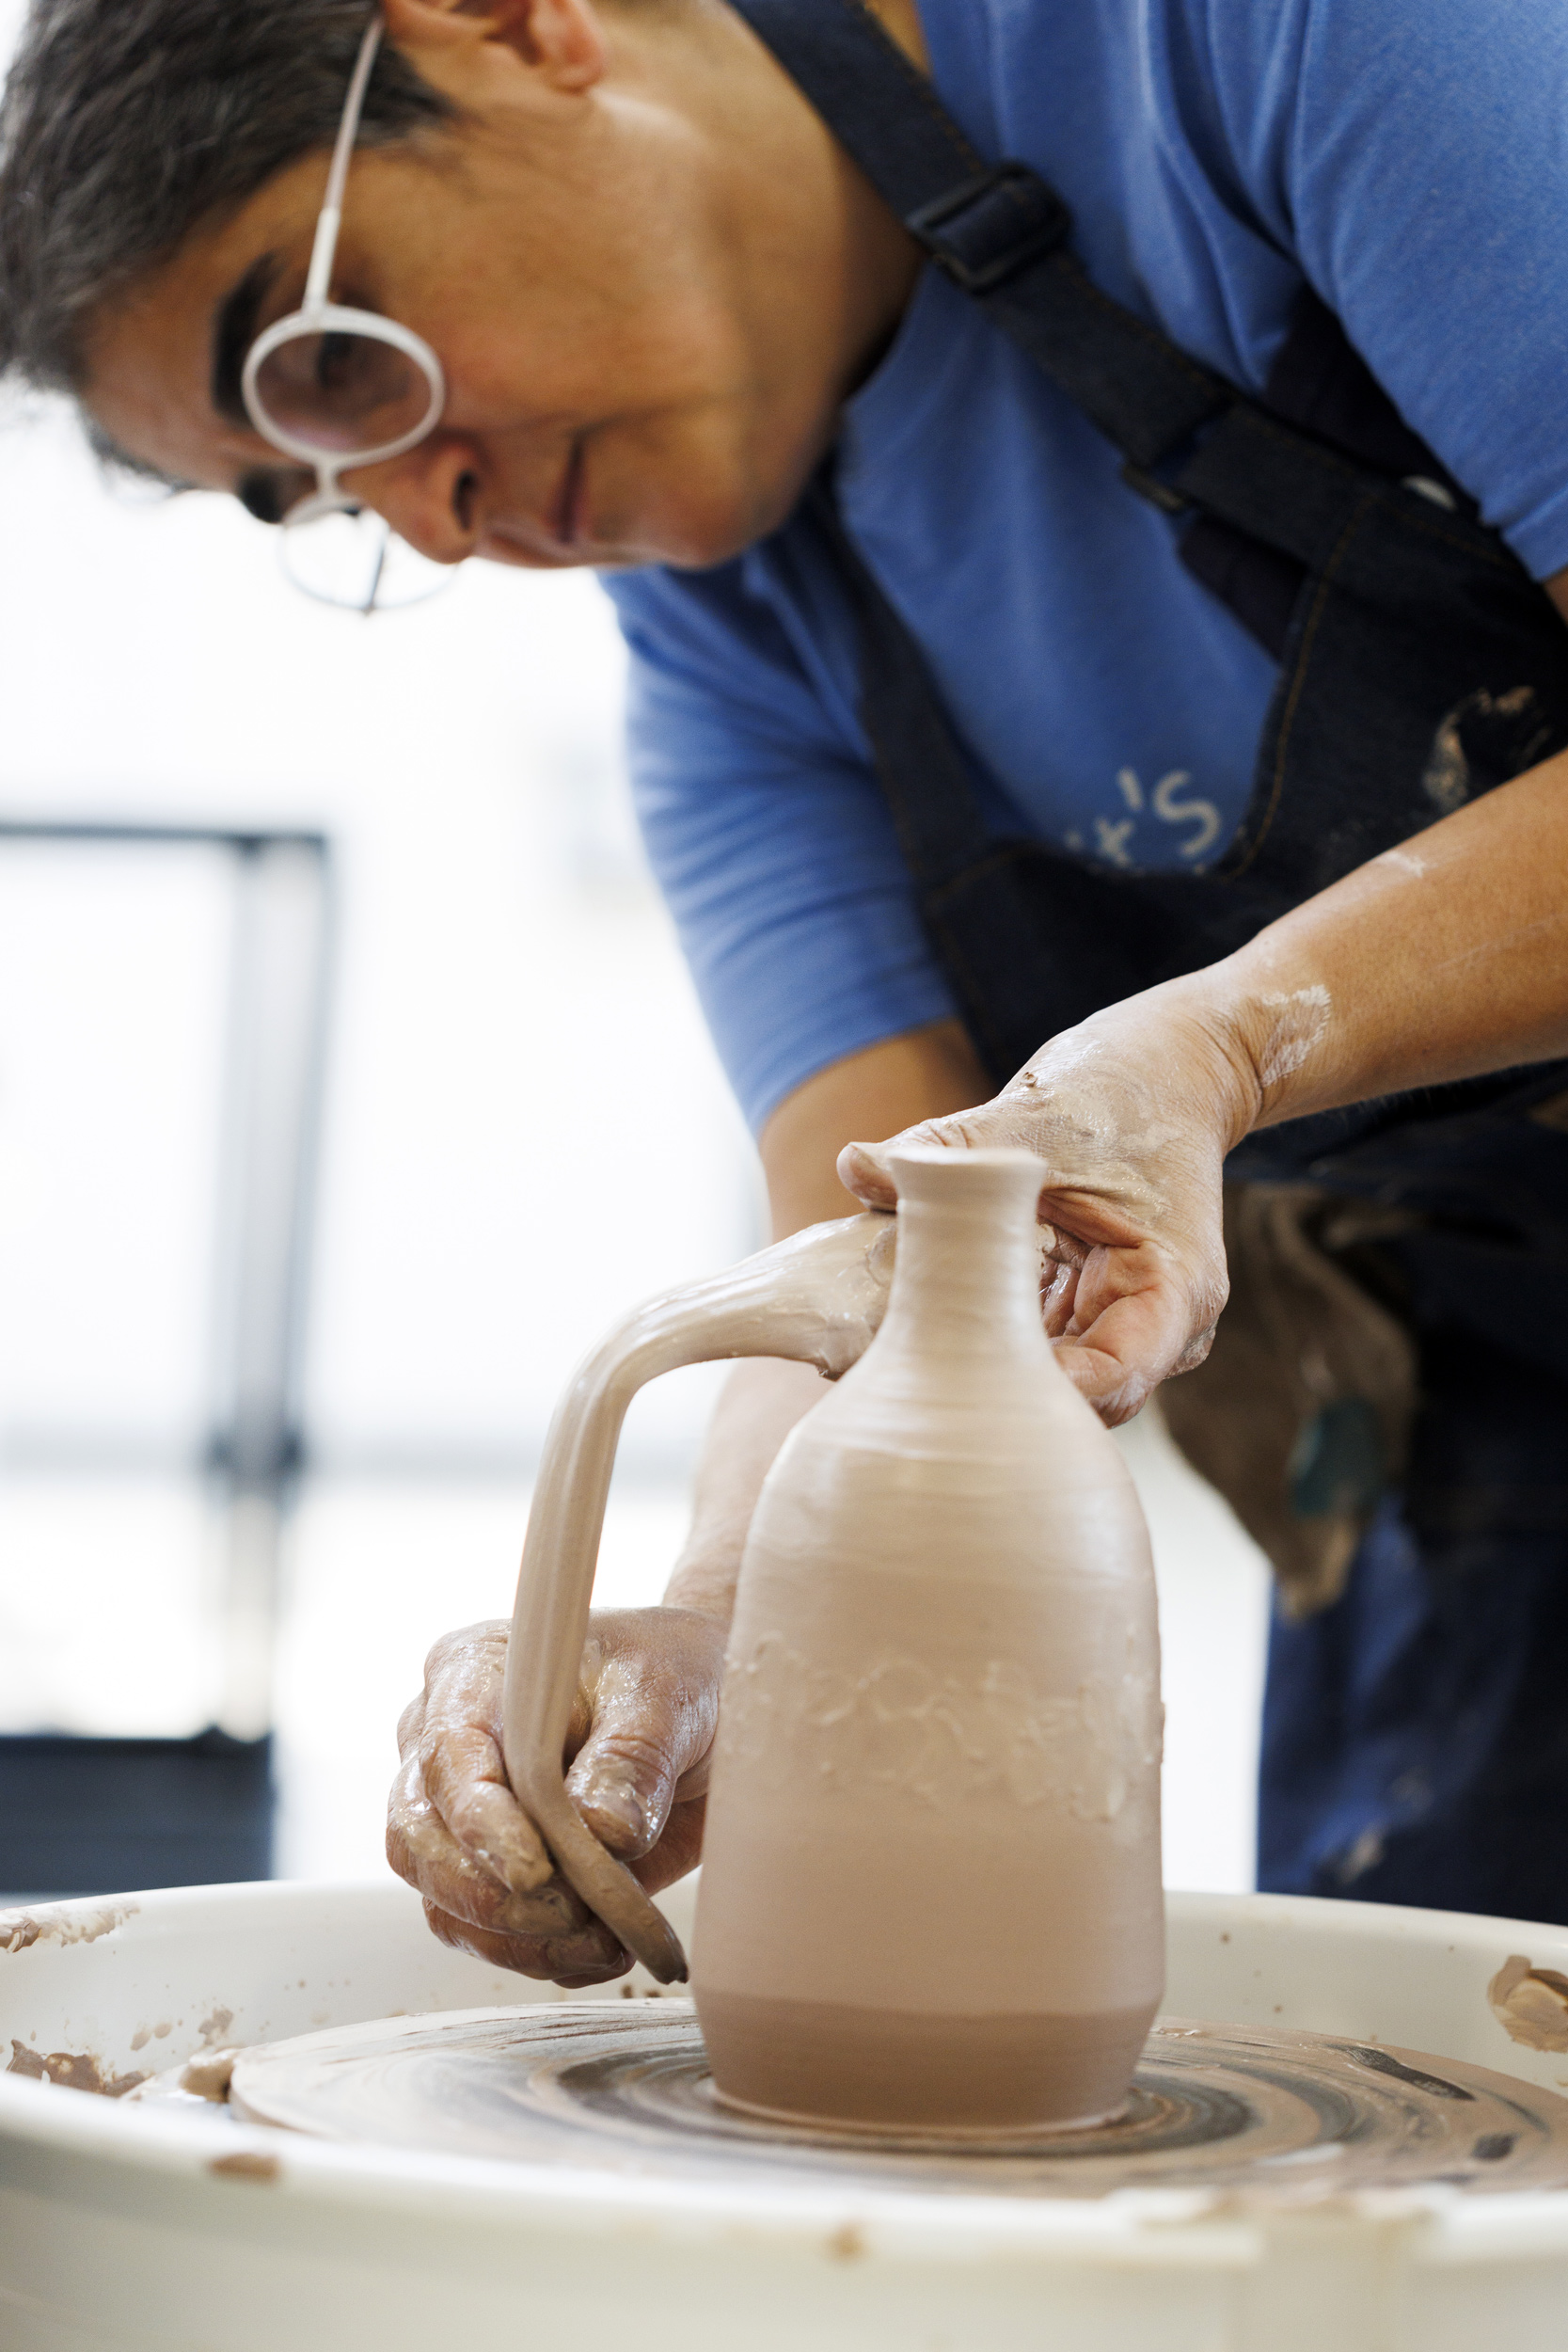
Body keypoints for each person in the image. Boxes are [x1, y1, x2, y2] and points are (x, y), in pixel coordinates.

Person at [5, 0, 1567, 1981]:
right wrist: (703, 1631)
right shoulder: (732, 646)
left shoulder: (1279, 42)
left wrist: (1236, 1030)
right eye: (314, 494)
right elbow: (865, 1257)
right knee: (1457, 2152)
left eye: (332, 368)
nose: (425, 514)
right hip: (1477, 1374)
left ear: (515, 27)